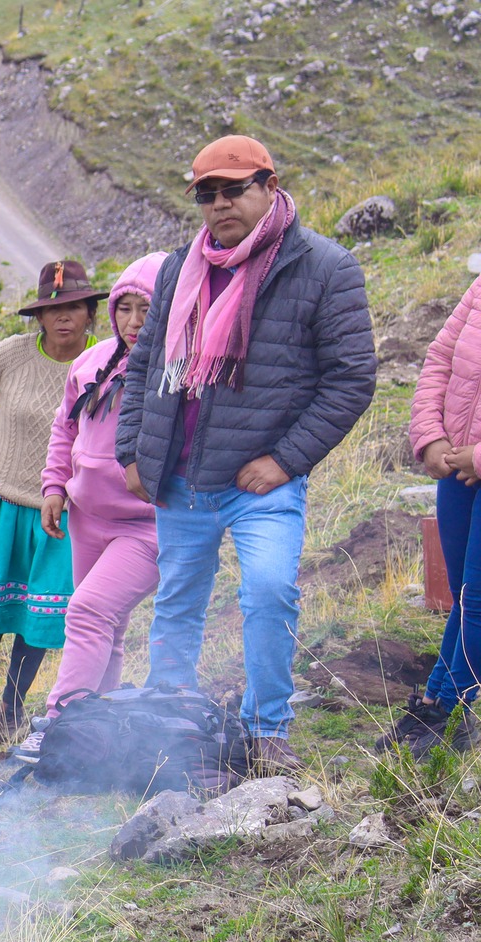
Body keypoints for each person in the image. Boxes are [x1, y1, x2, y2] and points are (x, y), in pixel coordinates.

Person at [118, 135, 377, 773]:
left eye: (234, 189)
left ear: (269, 185)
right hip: (181, 476)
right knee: (178, 597)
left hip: (261, 481)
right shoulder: (181, 267)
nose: (220, 204)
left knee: (268, 591)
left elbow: (352, 379)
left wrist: (285, 461)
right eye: (207, 194)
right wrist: (134, 451)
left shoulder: (324, 266)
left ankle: (267, 729)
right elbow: (144, 366)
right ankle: (169, 719)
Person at [0, 260, 102, 750]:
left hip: (62, 513)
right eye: (53, 310)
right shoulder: (15, 354)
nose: (63, 317)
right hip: (4, 504)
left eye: (73, 307)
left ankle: (12, 706)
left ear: (90, 313)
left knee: (38, 614)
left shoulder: (104, 362)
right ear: (39, 317)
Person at [13, 253, 172, 761]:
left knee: (86, 612)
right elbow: (65, 428)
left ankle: (60, 724)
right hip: (87, 517)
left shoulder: (177, 368)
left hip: (146, 526)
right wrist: (54, 486)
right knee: (109, 625)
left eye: (145, 309)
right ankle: (95, 736)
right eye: (124, 309)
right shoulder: (91, 361)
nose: (133, 322)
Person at [398, 273, 481, 757]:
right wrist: (430, 436)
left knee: (479, 597)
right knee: (466, 595)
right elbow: (440, 359)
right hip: (455, 468)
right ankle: (435, 703)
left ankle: (453, 723)